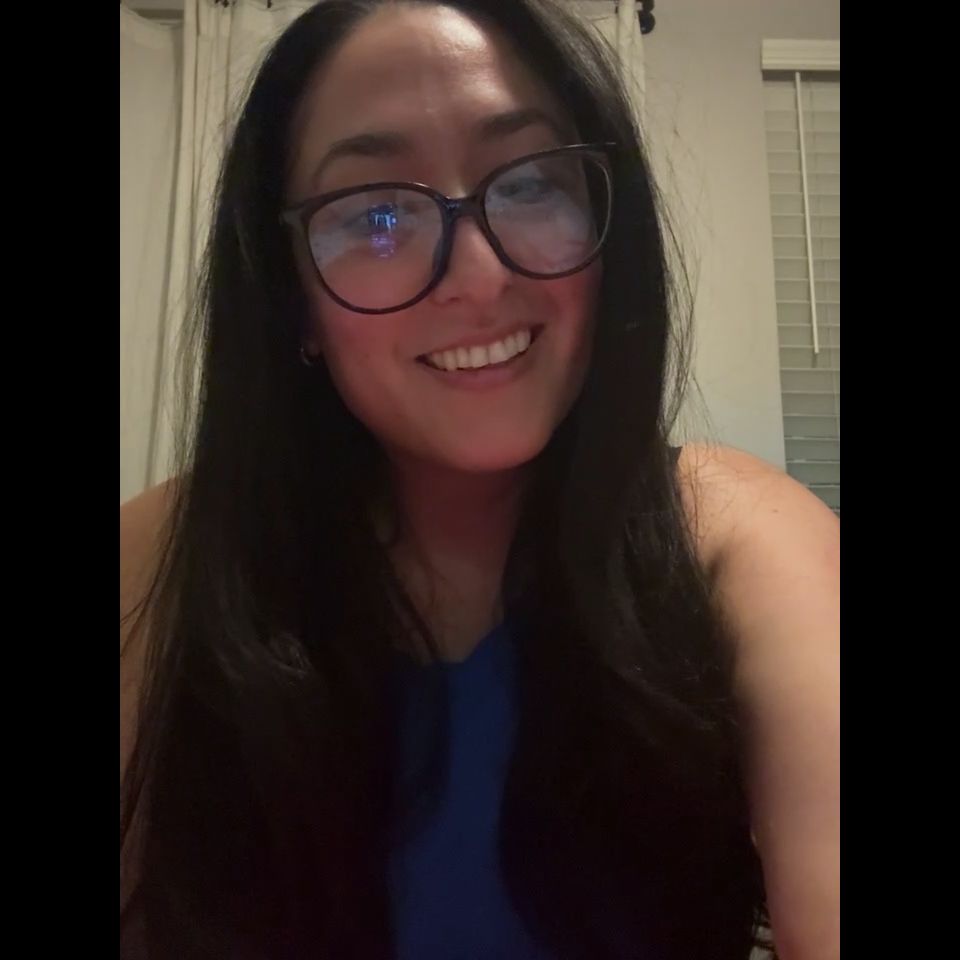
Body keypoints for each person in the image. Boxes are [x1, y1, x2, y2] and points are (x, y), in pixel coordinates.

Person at [120, 2, 840, 957]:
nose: (478, 275)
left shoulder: (737, 536)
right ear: (292, 301)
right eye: (376, 214)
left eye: (532, 182)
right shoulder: (164, 566)